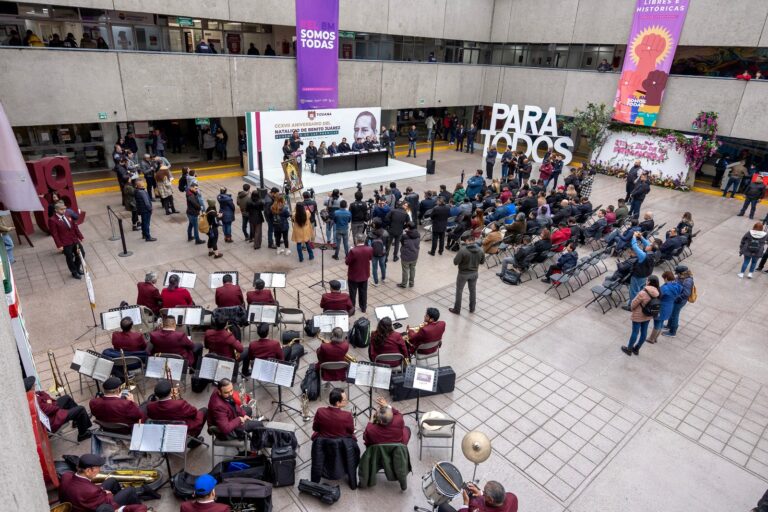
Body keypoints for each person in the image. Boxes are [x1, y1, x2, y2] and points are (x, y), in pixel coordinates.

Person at [59, 453, 148, 512]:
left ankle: (125, 504)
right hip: (94, 507)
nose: (99, 470)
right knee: (130, 490)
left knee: (112, 480)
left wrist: (101, 491)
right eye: (97, 468)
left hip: (79, 502)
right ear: (89, 470)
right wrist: (107, 494)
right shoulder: (92, 491)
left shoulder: (66, 476)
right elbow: (107, 503)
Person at [25, 377, 92, 441]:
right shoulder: (35, 400)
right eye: (33, 386)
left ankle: (77, 421)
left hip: (52, 410)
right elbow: (50, 409)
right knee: (81, 409)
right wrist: (51, 403)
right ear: (30, 389)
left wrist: (49, 401)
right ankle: (82, 434)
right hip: (53, 420)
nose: (35, 386)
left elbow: (43, 393)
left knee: (67, 398)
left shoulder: (34, 393)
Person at [621, 275, 660, 356]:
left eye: (647, 280)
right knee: (644, 332)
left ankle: (629, 349)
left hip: (638, 316)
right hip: (648, 315)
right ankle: (637, 349)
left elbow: (633, 304)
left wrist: (632, 308)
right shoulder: (657, 292)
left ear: (649, 282)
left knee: (635, 332)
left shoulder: (643, 293)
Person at [450, 233, 485, 314]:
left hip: (463, 274)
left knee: (459, 291)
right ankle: (472, 308)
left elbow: (455, 262)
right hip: (474, 273)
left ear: (467, 241)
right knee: (473, 291)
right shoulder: (481, 250)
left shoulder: (463, 250)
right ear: (474, 240)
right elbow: (482, 262)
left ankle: (457, 309)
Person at [49, 202, 84, 279]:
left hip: (74, 239)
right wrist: (59, 245)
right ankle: (74, 272)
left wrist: (80, 236)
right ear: (56, 210)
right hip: (65, 243)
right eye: (61, 209)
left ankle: (77, 268)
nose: (64, 211)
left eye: (64, 209)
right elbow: (55, 234)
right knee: (70, 258)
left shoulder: (68, 215)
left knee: (82, 253)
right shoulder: (52, 220)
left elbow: (75, 227)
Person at [646, 271, 682, 344]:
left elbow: (658, 295)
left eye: (664, 278)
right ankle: (655, 338)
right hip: (670, 306)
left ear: (666, 278)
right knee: (661, 322)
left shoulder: (666, 287)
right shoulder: (677, 286)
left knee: (657, 323)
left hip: (661, 307)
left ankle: (651, 339)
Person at [623, 232, 657, 309]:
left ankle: (631, 306)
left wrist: (634, 237)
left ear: (650, 248)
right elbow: (647, 243)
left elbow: (635, 247)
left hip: (638, 275)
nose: (647, 245)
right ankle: (640, 301)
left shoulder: (644, 256)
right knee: (641, 289)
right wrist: (641, 237)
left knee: (634, 291)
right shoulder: (654, 254)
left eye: (649, 245)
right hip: (645, 275)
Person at [437, 480, 518, 512]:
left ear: (490, 499)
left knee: (443, 507)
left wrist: (465, 503)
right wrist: (481, 493)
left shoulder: (477, 509)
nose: (483, 492)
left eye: (484, 492)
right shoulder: (512, 497)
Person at [662, 265, 694, 338]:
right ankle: (668, 325)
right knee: (672, 312)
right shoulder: (682, 277)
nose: (677, 275)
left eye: (678, 273)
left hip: (679, 301)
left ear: (682, 273)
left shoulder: (688, 281)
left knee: (674, 315)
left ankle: (673, 332)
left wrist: (676, 298)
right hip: (676, 299)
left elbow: (686, 293)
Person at [346, 233, 373, 313]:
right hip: (364, 275)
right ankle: (363, 308)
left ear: (356, 240)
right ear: (364, 240)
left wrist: (349, 252)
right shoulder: (370, 249)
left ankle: (352, 309)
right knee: (363, 292)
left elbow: (347, 262)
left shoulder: (353, 251)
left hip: (353, 276)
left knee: (352, 294)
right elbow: (370, 258)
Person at [397, 222, 420, 288]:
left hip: (406, 256)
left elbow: (402, 243)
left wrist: (407, 232)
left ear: (408, 227)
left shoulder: (405, 236)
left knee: (405, 270)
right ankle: (411, 283)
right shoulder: (418, 235)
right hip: (415, 255)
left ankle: (404, 284)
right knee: (412, 269)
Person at [369, 220, 388, 286]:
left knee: (374, 267)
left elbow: (367, 244)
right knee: (383, 265)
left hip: (374, 253)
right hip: (383, 252)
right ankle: (383, 278)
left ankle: (376, 282)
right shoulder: (385, 232)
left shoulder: (371, 233)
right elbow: (387, 243)